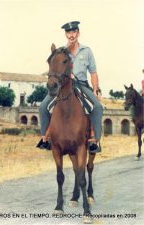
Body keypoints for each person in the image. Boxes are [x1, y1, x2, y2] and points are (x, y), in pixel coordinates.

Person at [38, 21, 103, 153]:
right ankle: (45, 138)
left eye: (73, 32)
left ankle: (94, 141)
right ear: (66, 35)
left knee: (97, 107)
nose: (71, 35)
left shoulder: (87, 51)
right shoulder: (62, 52)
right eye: (68, 32)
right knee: (43, 106)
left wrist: (96, 89)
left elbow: (93, 72)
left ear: (78, 33)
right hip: (64, 86)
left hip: (81, 85)